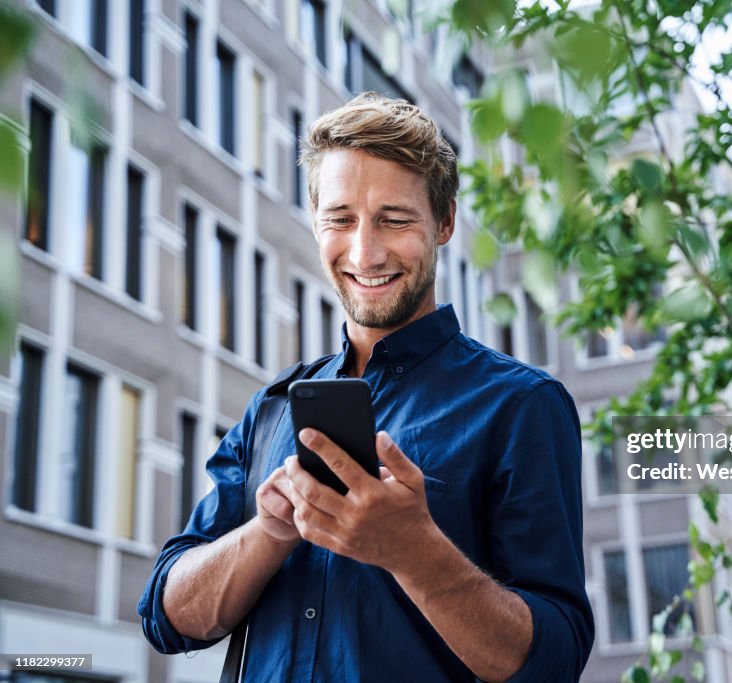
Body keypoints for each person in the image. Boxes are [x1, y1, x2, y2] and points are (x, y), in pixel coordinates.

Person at [138, 92, 594, 682]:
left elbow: (553, 662)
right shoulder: (273, 411)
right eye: (340, 218)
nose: (365, 252)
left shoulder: (521, 405)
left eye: (395, 219)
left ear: (445, 221)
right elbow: (167, 617)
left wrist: (415, 552)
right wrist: (269, 533)